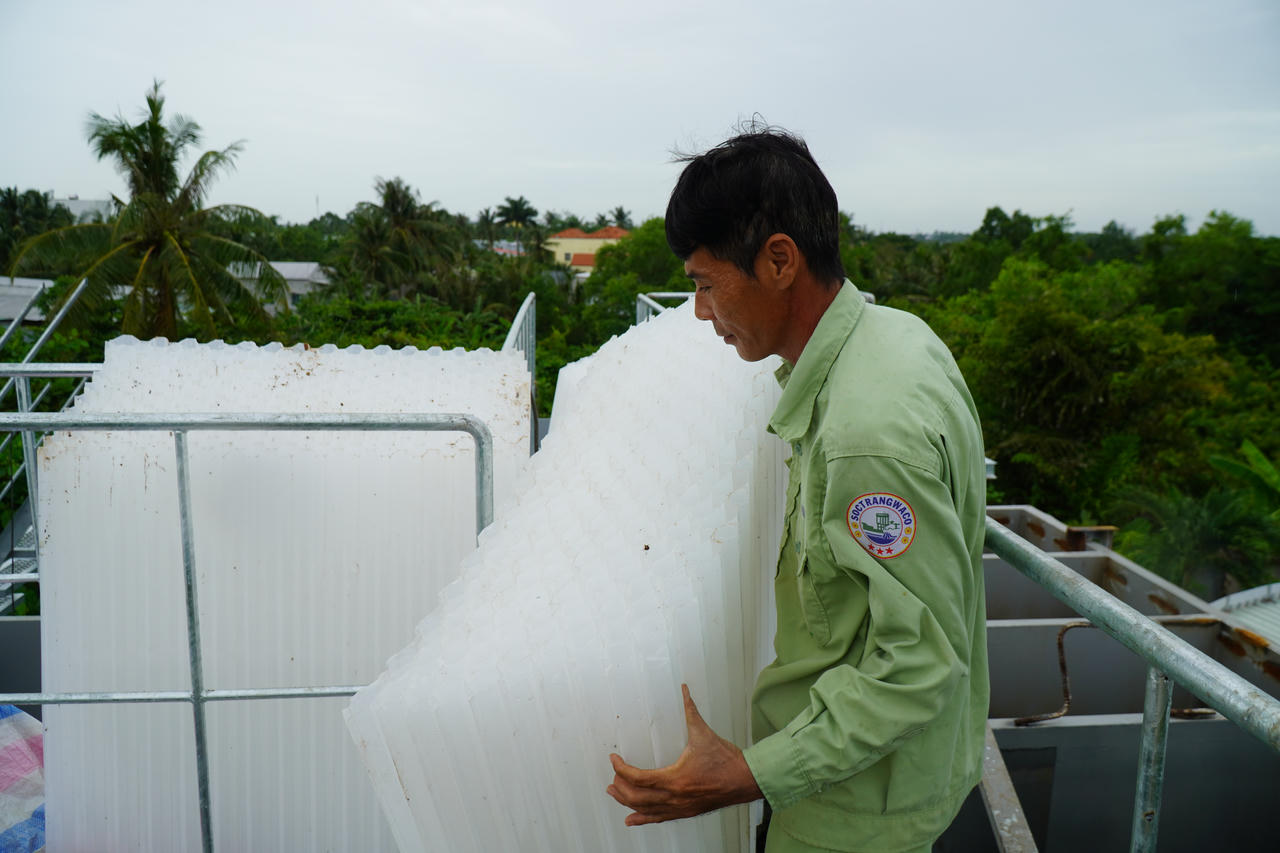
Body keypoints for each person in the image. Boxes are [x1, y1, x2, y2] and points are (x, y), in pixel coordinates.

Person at [605, 127, 990, 853]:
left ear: (779, 259)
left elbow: (918, 666)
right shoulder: (898, 338)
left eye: (705, 282)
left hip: (852, 811)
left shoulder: (866, 431)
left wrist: (747, 773)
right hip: (890, 780)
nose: (698, 309)